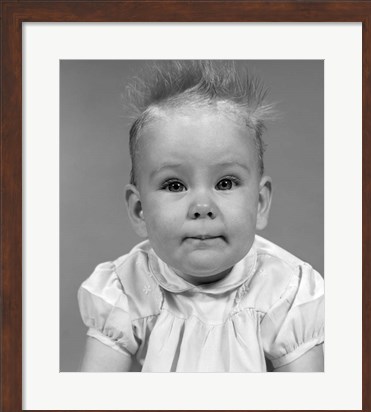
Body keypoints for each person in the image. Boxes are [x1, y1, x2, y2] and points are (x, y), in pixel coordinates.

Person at [78, 61, 324, 372]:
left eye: (225, 183)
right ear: (140, 210)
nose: (202, 206)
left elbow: (309, 411)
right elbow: (92, 405)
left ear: (259, 203)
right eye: (175, 185)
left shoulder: (286, 290)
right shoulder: (125, 289)